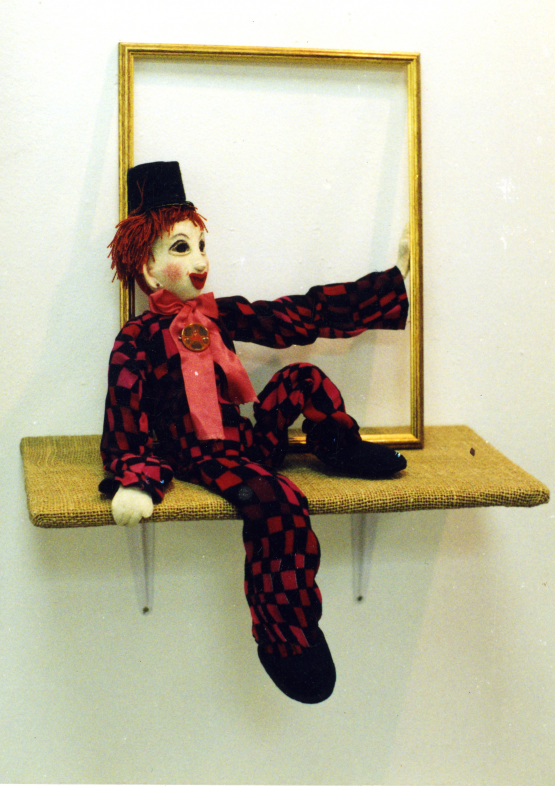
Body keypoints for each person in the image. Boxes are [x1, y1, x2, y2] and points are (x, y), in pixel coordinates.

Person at [100, 161, 410, 703]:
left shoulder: (217, 315)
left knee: (302, 377)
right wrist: (136, 477)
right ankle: (285, 638)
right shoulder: (138, 338)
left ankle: (339, 446)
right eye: (182, 248)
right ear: (148, 268)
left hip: (242, 440)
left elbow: (297, 315)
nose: (200, 261)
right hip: (199, 453)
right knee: (279, 501)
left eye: (201, 246)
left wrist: (391, 284)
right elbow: (124, 410)